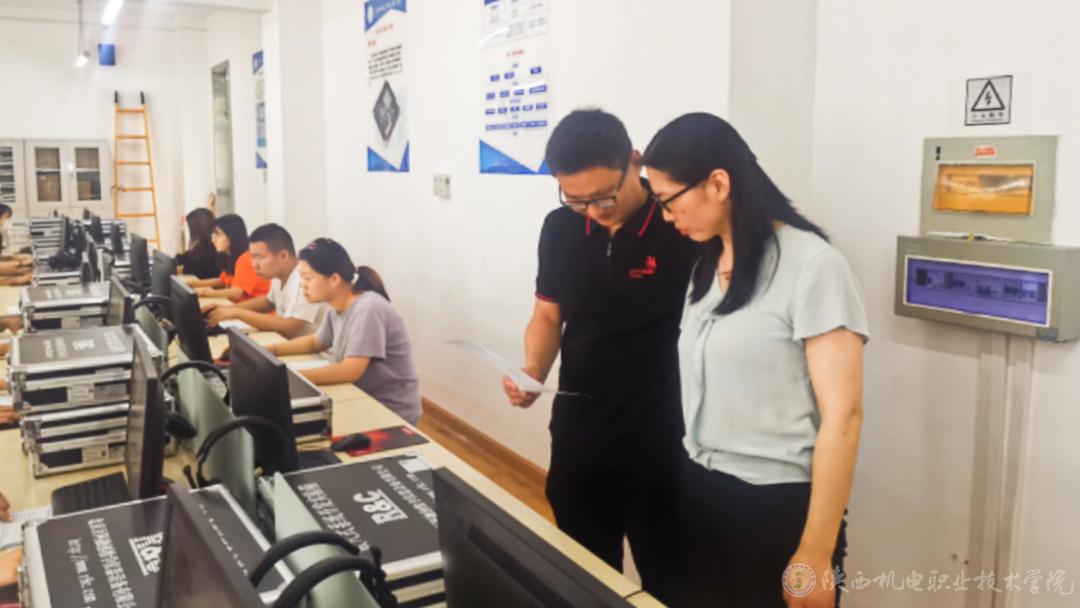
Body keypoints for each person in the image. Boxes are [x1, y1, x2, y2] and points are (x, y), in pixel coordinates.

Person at [642, 113, 868, 608]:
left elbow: (845, 416)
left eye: (668, 201)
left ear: (718, 184)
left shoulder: (814, 267)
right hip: (701, 490)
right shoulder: (706, 266)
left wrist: (815, 553)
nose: (666, 217)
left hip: (775, 506)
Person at [501, 109, 699, 605]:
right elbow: (548, 315)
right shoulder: (560, 228)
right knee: (583, 573)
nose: (593, 211)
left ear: (634, 161)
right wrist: (533, 369)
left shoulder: (679, 227)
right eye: (576, 199)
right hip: (580, 431)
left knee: (670, 578)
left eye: (604, 197)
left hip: (663, 435)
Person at [266, 238, 421, 425]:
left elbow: (350, 370)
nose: (302, 285)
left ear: (334, 279)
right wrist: (270, 351)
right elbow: (316, 342)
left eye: (307, 278)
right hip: (361, 396)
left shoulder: (368, 309)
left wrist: (290, 378)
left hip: (390, 411)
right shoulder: (337, 305)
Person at [206, 223, 326, 338]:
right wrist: (229, 309)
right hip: (287, 342)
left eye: (259, 257)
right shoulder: (279, 274)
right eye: (253, 257)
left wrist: (238, 313)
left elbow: (289, 327)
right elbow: (269, 302)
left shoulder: (304, 279)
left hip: (312, 351)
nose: (254, 265)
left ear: (283, 256)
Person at [188, 214, 270, 302]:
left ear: (232, 236)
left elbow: (236, 293)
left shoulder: (246, 259)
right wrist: (192, 284)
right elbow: (222, 281)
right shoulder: (230, 256)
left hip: (255, 309)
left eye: (218, 235)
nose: (213, 240)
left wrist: (202, 292)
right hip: (241, 306)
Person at [176, 208, 220, 279]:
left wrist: (180, 268)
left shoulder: (214, 247)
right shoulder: (202, 244)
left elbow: (195, 269)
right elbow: (187, 256)